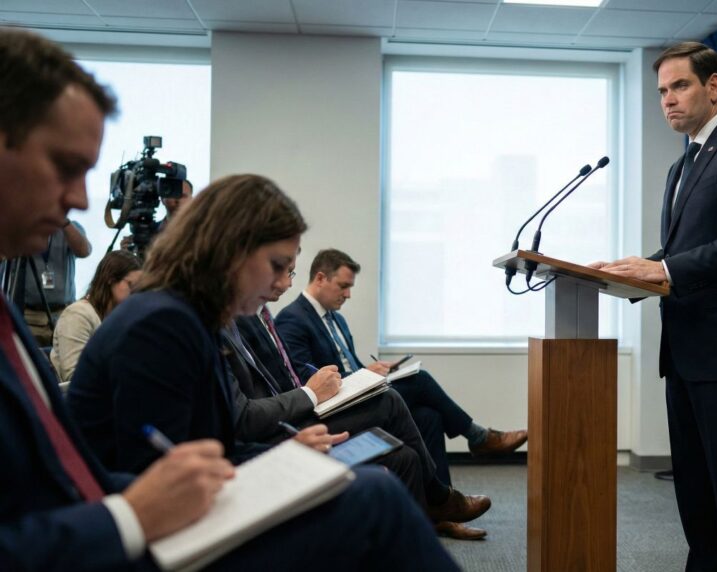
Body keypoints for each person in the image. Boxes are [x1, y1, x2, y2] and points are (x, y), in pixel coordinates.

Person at [0, 27, 455, 570]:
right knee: (375, 499)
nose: (79, 198)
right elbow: (158, 485)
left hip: (110, 523)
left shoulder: (186, 318)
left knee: (373, 479)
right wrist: (140, 513)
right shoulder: (161, 324)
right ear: (232, 251)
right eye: (65, 166)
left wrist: (274, 461)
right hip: (118, 543)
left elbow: (160, 470)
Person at [590, 42, 717, 572]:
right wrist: (634, 270)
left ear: (713, 86)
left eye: (679, 86)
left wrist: (665, 270)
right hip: (686, 351)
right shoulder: (684, 164)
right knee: (696, 492)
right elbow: (682, 251)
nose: (668, 101)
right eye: (661, 91)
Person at [235, 259, 490, 539]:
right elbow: (279, 386)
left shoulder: (331, 319)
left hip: (311, 401)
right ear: (320, 279)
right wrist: (322, 388)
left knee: (426, 423)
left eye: (291, 271)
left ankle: (433, 518)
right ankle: (448, 485)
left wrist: (360, 375)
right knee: (403, 392)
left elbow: (290, 373)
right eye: (343, 286)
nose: (286, 282)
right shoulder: (286, 317)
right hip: (291, 421)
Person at [275, 248, 528, 482]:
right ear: (320, 279)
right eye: (343, 286)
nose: (348, 294)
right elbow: (305, 382)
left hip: (356, 398)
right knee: (421, 380)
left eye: (350, 287)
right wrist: (362, 374)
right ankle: (479, 437)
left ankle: (442, 507)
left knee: (430, 417)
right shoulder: (292, 319)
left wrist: (372, 371)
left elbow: (349, 367)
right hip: (333, 412)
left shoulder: (337, 319)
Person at [49, 249, 141, 382]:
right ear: (110, 279)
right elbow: (74, 377)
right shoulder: (78, 315)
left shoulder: (122, 318)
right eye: (131, 285)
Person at [19, 219, 92, 347]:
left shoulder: (71, 228)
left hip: (63, 316)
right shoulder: (19, 229)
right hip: (28, 318)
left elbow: (84, 251)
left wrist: (63, 221)